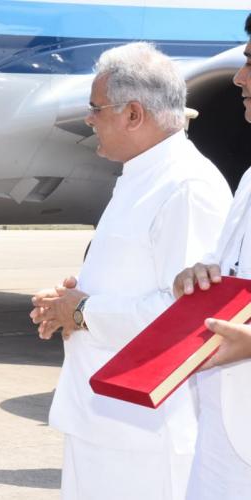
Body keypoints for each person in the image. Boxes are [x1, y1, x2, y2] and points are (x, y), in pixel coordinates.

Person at [29, 42, 232, 500]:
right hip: (104, 420)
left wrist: (83, 313)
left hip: (146, 434)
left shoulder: (186, 186)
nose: (89, 119)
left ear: (134, 114)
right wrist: (71, 302)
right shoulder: (142, 177)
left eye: (96, 108)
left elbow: (190, 318)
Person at [171, 14, 251, 499]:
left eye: (249, 64)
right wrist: (205, 276)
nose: (240, 79)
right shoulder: (248, 180)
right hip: (225, 422)